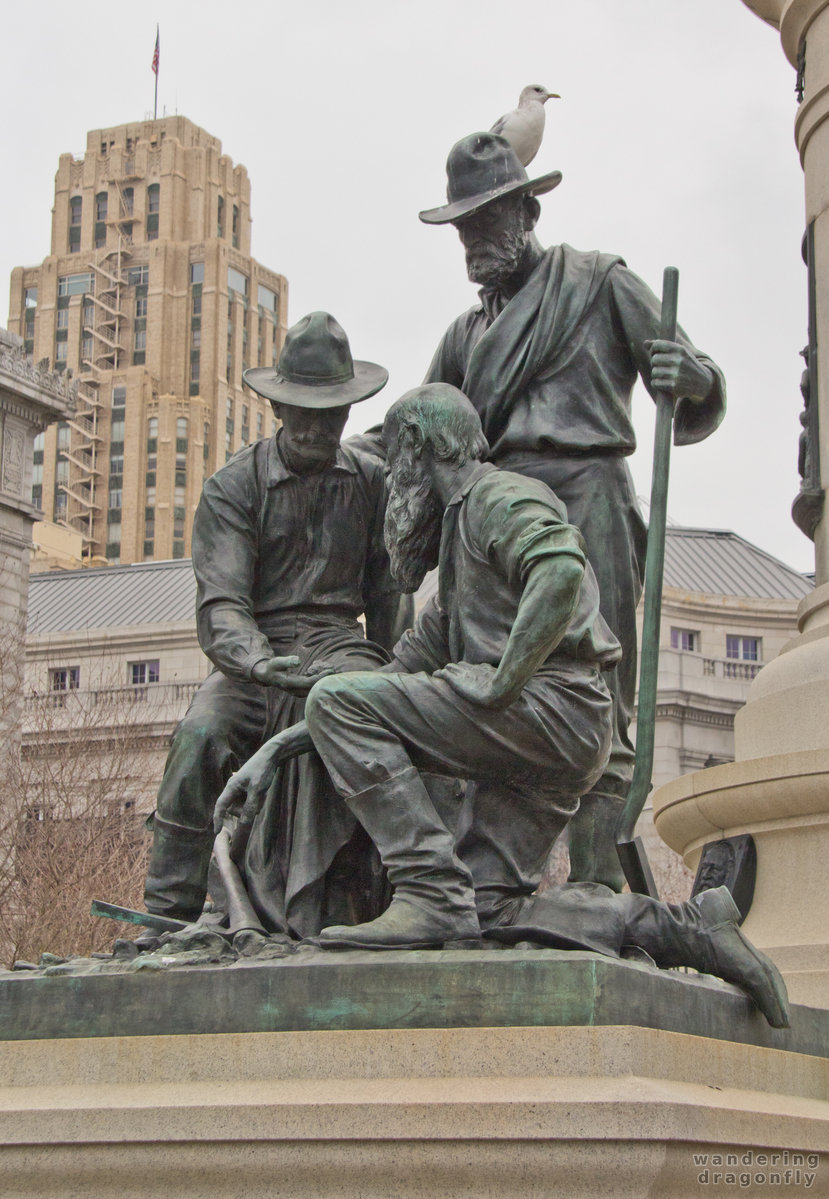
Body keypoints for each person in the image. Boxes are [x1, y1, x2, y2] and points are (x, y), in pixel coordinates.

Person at [215, 385, 788, 1029]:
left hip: (549, 711)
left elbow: (561, 572)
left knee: (340, 704)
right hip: (550, 736)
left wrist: (502, 682)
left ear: (416, 448)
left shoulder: (497, 496)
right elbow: (392, 680)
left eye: (395, 460)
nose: (391, 481)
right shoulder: (458, 550)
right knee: (490, 913)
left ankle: (429, 887)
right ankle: (691, 928)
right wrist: (271, 753)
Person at [419, 132, 727, 890]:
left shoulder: (596, 282)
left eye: (485, 221)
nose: (472, 240)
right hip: (492, 522)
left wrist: (696, 379)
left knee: (599, 687)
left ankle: (597, 885)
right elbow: (414, 426)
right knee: (486, 682)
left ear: (526, 210)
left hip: (587, 500)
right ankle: (486, 882)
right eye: (462, 226)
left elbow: (694, 385)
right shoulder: (465, 333)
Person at [143, 312, 405, 937]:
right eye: (303, 410)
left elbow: (390, 597)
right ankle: (164, 912)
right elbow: (222, 604)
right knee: (200, 737)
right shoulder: (235, 487)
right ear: (278, 409)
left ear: (349, 410)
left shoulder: (374, 484)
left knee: (369, 733)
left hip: (343, 650)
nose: (317, 425)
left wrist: (402, 679)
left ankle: (367, 901)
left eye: (332, 411)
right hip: (255, 662)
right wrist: (259, 662)